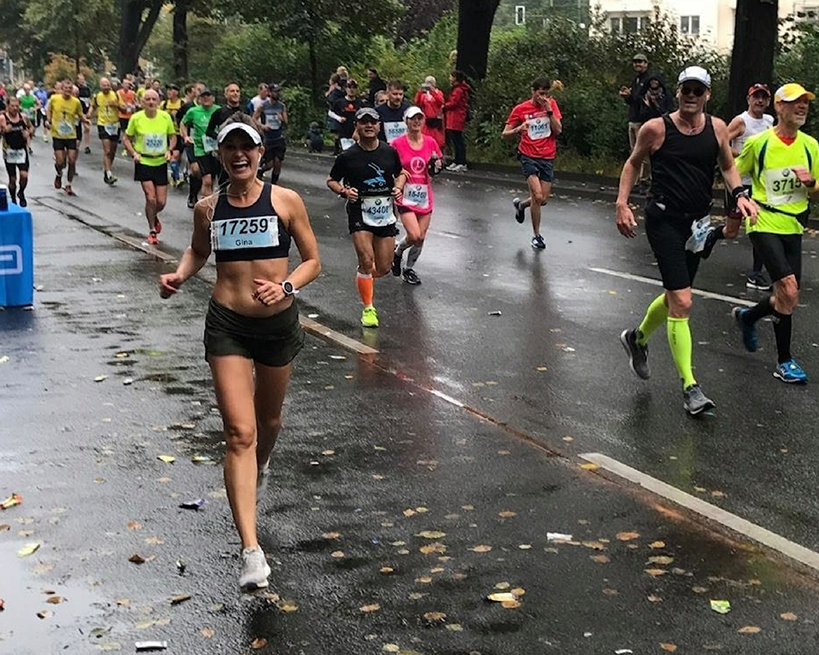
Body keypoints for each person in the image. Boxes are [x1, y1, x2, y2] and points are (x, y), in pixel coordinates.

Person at [158, 115, 321, 590]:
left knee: (268, 423)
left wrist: (287, 285)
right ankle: (251, 552)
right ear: (221, 155)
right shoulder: (208, 208)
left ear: (259, 152)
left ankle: (261, 465)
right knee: (238, 432)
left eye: (245, 146)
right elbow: (198, 253)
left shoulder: (285, 201)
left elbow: (313, 260)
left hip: (277, 325)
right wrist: (180, 275)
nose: (238, 155)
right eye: (229, 148)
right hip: (227, 323)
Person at [616, 66, 757, 416]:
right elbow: (633, 164)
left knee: (674, 297)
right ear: (677, 93)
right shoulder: (656, 128)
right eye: (686, 90)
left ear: (707, 95)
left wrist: (738, 193)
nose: (691, 96)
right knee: (682, 300)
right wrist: (622, 203)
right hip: (664, 221)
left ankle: (637, 338)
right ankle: (690, 387)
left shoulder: (717, 128)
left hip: (697, 222)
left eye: (698, 90)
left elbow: (727, 165)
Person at [731, 83, 819, 384]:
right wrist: (740, 197)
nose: (802, 107)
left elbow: (818, 193)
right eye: (795, 102)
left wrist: (810, 184)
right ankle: (785, 361)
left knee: (788, 298)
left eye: (805, 102)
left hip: (793, 226)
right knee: (789, 289)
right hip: (763, 222)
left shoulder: (811, 146)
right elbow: (732, 171)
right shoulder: (760, 143)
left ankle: (748, 317)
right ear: (778, 107)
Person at [326, 107, 407, 328]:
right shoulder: (348, 156)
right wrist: (344, 191)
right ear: (357, 126)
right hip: (359, 213)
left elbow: (401, 173)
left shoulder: (389, 152)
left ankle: (364, 275)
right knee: (366, 260)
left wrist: (398, 187)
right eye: (364, 122)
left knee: (382, 267)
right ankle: (368, 308)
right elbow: (331, 180)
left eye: (373, 122)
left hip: (385, 215)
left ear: (379, 126)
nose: (369, 125)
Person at [703, 84, 775, 291]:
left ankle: (755, 274)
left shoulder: (770, 121)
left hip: (761, 184)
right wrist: (742, 156)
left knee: (760, 227)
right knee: (732, 231)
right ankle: (713, 235)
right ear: (748, 99)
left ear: (768, 101)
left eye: (763, 98)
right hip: (739, 182)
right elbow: (721, 141)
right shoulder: (741, 121)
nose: (760, 101)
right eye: (756, 97)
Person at [503, 77, 563, 250]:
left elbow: (558, 130)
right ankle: (537, 236)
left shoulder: (551, 105)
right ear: (533, 91)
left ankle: (521, 205)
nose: (543, 97)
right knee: (537, 195)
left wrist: (549, 111)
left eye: (546, 94)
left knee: (543, 199)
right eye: (540, 93)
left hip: (547, 156)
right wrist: (517, 129)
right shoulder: (521, 109)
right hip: (528, 155)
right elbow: (505, 133)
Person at [391, 106, 443, 285]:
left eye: (420, 118)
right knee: (413, 235)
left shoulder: (430, 142)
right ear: (406, 121)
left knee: (421, 237)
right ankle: (398, 251)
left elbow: (438, 165)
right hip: (405, 195)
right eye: (413, 118)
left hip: (424, 196)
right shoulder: (397, 144)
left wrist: (436, 165)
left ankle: (409, 269)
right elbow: (391, 167)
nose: (417, 122)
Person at [123, 89, 177, 245]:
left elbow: (172, 136)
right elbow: (126, 138)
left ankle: (152, 214)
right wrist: (134, 153)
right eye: (148, 99)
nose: (151, 102)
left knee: (161, 202)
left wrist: (169, 150)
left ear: (158, 101)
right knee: (150, 197)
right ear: (142, 102)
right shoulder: (136, 118)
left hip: (160, 162)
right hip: (144, 162)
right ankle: (152, 230)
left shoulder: (165, 117)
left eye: (154, 99)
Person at [47, 78, 87, 196]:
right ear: (62, 89)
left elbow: (80, 114)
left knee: (72, 160)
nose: (68, 91)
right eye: (66, 88)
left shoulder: (76, 102)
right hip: (58, 134)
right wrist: (48, 120)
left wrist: (86, 120)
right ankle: (59, 174)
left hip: (71, 135)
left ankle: (68, 184)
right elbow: (49, 110)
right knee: (60, 162)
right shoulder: (54, 99)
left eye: (70, 89)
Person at [181, 87, 220, 207]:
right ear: (199, 99)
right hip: (199, 147)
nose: (206, 98)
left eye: (208, 96)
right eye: (203, 96)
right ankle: (203, 206)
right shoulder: (193, 111)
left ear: (213, 98)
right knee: (204, 177)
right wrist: (186, 136)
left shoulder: (219, 110)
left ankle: (208, 204)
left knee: (211, 180)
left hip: (215, 148)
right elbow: (183, 123)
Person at [619, 53, 653, 189]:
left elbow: (645, 101)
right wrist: (627, 96)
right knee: (634, 152)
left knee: (643, 151)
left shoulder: (649, 80)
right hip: (633, 118)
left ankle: (645, 179)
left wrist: (631, 95)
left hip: (643, 120)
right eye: (635, 62)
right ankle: (637, 180)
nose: (638, 64)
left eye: (640, 62)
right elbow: (633, 100)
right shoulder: (636, 79)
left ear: (646, 63)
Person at [0, 96, 33, 207]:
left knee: (24, 176)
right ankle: (13, 199)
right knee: (12, 179)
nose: (15, 108)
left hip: (21, 150)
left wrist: (28, 133)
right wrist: (4, 130)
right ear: (7, 106)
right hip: (9, 151)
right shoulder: (3, 118)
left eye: (17, 106)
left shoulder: (23, 117)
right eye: (12, 106)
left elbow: (31, 127)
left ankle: (21, 192)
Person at [252, 84, 288, 183]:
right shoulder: (263, 106)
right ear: (270, 92)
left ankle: (274, 184)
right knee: (270, 164)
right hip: (268, 138)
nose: (277, 94)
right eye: (275, 91)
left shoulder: (281, 106)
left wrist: (282, 119)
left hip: (279, 138)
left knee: (278, 163)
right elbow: (254, 119)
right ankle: (261, 170)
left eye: (278, 92)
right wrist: (262, 126)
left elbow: (286, 123)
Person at [90, 77, 121, 185]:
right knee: (107, 150)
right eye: (104, 85)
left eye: (108, 85)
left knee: (112, 151)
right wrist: (88, 115)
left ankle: (107, 170)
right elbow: (93, 107)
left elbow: (124, 108)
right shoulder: (97, 96)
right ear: (100, 86)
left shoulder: (116, 95)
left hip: (115, 125)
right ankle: (109, 173)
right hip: (103, 124)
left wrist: (116, 105)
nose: (106, 87)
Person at [444, 70, 470, 172]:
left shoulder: (458, 90)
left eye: (451, 77)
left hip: (456, 117)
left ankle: (461, 162)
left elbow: (453, 103)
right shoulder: (459, 89)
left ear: (455, 78)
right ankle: (457, 160)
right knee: (456, 140)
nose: (450, 78)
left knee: (458, 140)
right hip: (455, 117)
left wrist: (443, 106)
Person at [328, 79, 363, 154]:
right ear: (346, 89)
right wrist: (339, 118)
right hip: (344, 131)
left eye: (354, 87)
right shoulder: (340, 102)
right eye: (349, 87)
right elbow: (330, 112)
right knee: (347, 152)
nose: (351, 89)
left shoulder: (360, 102)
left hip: (356, 132)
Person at [160, 83, 185, 186]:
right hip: (167, 134)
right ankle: (177, 177)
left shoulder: (182, 104)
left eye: (172, 90)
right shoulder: (163, 104)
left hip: (179, 133)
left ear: (177, 92)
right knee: (172, 155)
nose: (169, 92)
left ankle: (174, 176)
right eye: (168, 90)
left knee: (177, 156)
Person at [414, 76, 445, 149]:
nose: (429, 85)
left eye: (431, 83)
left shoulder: (438, 92)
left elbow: (440, 102)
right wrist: (420, 92)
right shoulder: (423, 95)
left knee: (437, 140)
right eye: (427, 83)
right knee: (425, 138)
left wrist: (433, 91)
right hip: (426, 120)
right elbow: (417, 103)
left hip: (436, 120)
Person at [376, 80, 410, 144]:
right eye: (395, 94)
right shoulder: (378, 111)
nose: (398, 97)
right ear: (388, 94)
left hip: (404, 147)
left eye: (400, 94)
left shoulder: (408, 110)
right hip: (385, 148)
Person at [117, 78, 137, 157]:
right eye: (125, 84)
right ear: (122, 85)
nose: (126, 85)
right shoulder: (118, 93)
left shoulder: (132, 93)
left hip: (130, 115)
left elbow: (136, 103)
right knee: (124, 132)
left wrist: (133, 106)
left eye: (128, 84)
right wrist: (121, 106)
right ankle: (125, 148)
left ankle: (129, 146)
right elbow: (116, 102)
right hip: (122, 115)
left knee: (131, 132)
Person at [325, 74, 345, 153]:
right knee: (337, 132)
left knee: (336, 132)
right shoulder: (341, 90)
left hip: (335, 112)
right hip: (338, 112)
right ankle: (338, 148)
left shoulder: (334, 91)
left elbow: (332, 100)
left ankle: (337, 149)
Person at [17, 83, 38, 149]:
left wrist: (34, 108)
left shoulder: (33, 97)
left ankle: (28, 144)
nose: (27, 91)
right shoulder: (21, 98)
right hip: (24, 117)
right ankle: (28, 146)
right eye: (26, 89)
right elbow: (17, 105)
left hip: (31, 116)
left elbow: (39, 105)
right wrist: (20, 108)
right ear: (24, 90)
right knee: (25, 131)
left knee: (31, 132)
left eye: (28, 89)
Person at [76, 73, 92, 154]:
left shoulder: (87, 89)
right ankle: (77, 145)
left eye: (83, 79)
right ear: (77, 80)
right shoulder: (76, 89)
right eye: (80, 79)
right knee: (77, 128)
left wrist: (89, 111)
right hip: (78, 112)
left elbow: (89, 100)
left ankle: (87, 146)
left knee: (87, 128)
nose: (82, 81)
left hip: (86, 111)